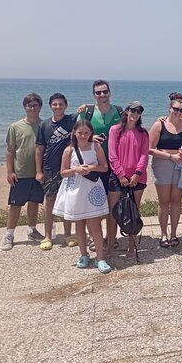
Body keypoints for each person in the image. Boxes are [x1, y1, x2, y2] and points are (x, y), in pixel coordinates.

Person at [53, 120, 111, 273]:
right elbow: (63, 172)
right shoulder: (69, 150)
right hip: (75, 189)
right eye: (80, 133)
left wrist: (92, 167)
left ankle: (100, 258)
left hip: (92, 187)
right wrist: (76, 169)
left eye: (86, 133)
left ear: (91, 133)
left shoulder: (95, 146)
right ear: (74, 133)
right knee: (79, 224)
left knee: (95, 223)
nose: (83, 136)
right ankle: (83, 254)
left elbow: (104, 167)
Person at [77, 80, 123, 254]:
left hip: (116, 165)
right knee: (94, 204)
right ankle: (95, 237)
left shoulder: (119, 112)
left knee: (113, 205)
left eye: (105, 92)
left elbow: (132, 126)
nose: (102, 95)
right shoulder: (87, 113)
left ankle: (112, 239)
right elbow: (78, 135)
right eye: (98, 93)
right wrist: (91, 139)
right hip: (94, 165)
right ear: (94, 95)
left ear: (110, 93)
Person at [149, 95, 182, 248]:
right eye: (175, 109)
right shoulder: (159, 125)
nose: (178, 112)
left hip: (181, 166)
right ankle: (163, 234)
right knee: (163, 202)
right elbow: (149, 149)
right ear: (170, 108)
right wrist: (171, 156)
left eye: (181, 110)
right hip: (162, 165)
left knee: (176, 201)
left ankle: (174, 234)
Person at [1, 93, 45, 251]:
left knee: (34, 203)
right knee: (15, 205)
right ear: (25, 107)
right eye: (30, 105)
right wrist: (9, 171)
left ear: (40, 107)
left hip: (38, 174)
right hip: (20, 173)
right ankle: (9, 234)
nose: (33, 108)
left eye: (35, 105)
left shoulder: (44, 125)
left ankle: (32, 231)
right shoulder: (15, 127)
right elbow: (10, 151)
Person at [35, 93, 78, 250]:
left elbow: (88, 111)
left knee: (67, 201)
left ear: (66, 106)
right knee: (50, 201)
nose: (58, 107)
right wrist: (38, 171)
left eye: (61, 104)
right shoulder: (44, 125)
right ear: (50, 106)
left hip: (67, 168)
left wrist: (84, 107)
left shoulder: (71, 120)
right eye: (55, 104)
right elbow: (39, 149)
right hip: (49, 169)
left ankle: (68, 234)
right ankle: (47, 236)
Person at [108, 101, 149, 259]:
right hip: (118, 177)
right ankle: (111, 246)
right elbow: (112, 155)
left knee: (133, 212)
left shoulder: (143, 133)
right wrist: (121, 175)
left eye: (138, 111)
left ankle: (131, 248)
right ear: (127, 111)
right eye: (133, 110)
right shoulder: (115, 130)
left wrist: (137, 174)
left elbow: (144, 155)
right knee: (113, 213)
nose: (135, 113)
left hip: (137, 178)